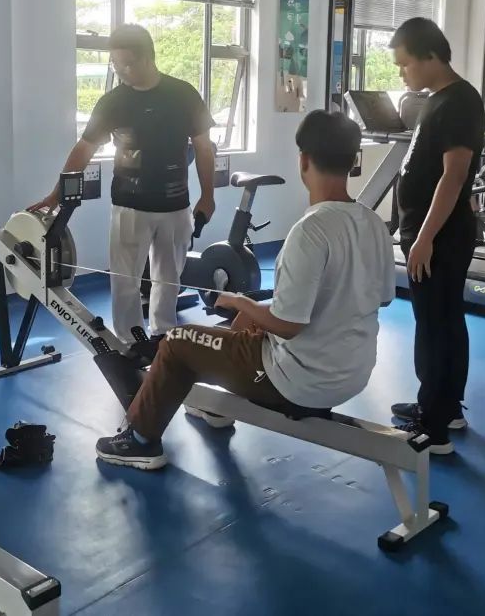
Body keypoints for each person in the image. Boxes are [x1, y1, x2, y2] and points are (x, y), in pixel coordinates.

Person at [95, 110, 395, 469]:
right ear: (353, 161)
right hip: (353, 375)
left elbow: (288, 325)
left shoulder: (310, 231)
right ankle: (216, 407)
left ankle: (140, 441)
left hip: (298, 383)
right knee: (238, 329)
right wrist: (250, 315)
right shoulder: (373, 223)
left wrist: (241, 302)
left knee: (177, 342)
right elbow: (381, 297)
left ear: (303, 160)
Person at [30, 24, 216, 340]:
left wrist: (208, 196)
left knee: (169, 279)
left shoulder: (183, 94)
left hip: (175, 206)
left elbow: (203, 147)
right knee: (125, 281)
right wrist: (57, 192)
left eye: (127, 64)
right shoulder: (113, 102)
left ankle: (164, 334)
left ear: (148, 58)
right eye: (116, 64)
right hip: (129, 207)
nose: (121, 71)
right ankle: (130, 340)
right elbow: (85, 148)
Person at [389, 17, 485, 455]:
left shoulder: (459, 101)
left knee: (435, 325)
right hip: (429, 233)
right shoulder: (437, 99)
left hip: (439, 237)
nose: (401, 72)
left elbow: (454, 175)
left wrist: (425, 237)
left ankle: (434, 427)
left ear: (430, 56)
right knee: (441, 319)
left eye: (405, 64)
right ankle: (444, 406)